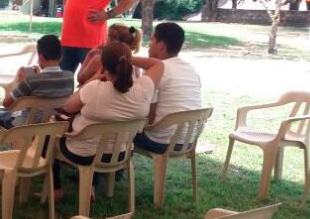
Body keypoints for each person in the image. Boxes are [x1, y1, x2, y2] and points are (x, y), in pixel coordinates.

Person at [53, 41, 160, 200]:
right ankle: (90, 186)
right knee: (98, 138)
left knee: (49, 136)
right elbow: (157, 64)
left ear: (103, 63)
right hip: (121, 154)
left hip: (84, 153)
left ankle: (56, 188)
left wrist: (91, 80)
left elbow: (68, 107)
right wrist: (127, 58)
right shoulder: (144, 88)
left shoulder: (94, 88)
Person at [133, 22, 203, 154]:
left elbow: (149, 117)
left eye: (152, 40)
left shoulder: (157, 71)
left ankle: (111, 171)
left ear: (161, 46)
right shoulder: (190, 68)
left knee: (116, 131)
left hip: (162, 141)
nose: (149, 45)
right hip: (189, 140)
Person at [0, 34, 75, 128]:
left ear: (40, 57)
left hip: (26, 125)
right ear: (61, 57)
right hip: (52, 124)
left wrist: (20, 83)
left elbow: (6, 104)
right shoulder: (70, 77)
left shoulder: (31, 81)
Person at [76, 23, 142, 86]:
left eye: (106, 38)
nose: (105, 40)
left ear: (111, 42)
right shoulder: (136, 64)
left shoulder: (99, 60)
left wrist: (89, 55)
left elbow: (80, 79)